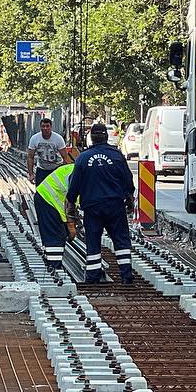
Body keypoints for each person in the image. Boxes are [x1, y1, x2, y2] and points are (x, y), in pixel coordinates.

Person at [67, 122, 136, 284]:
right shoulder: (117, 155)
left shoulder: (83, 158)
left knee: (93, 240)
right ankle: (126, 276)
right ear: (106, 137)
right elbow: (127, 179)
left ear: (91, 138)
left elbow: (75, 183)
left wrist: (71, 201)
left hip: (92, 207)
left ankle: (93, 277)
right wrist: (129, 197)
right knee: (121, 240)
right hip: (115, 205)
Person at [34, 159, 77, 273]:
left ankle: (52, 263)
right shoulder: (79, 175)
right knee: (55, 236)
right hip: (47, 199)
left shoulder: (75, 169)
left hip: (50, 200)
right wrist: (71, 225)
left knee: (57, 234)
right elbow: (70, 203)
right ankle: (55, 268)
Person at [26, 117, 72, 187]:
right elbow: (30, 157)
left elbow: (65, 157)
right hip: (42, 169)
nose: (45, 128)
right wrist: (31, 174)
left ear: (51, 127)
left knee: (56, 191)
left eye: (47, 126)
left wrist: (66, 174)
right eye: (43, 126)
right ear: (40, 127)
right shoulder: (34, 139)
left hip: (56, 169)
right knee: (40, 191)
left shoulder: (58, 139)